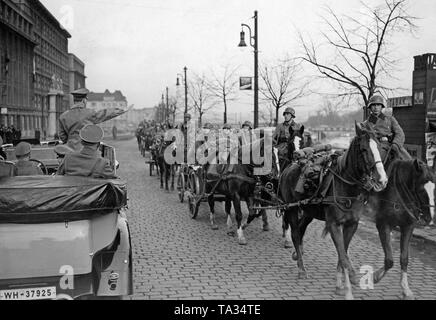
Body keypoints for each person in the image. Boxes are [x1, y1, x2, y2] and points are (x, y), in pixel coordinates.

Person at [58, 88, 129, 151]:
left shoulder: (63, 116)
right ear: (84, 101)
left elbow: (62, 136)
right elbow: (105, 114)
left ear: (74, 100)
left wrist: (71, 143)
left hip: (69, 151)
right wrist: (121, 110)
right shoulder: (89, 113)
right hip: (87, 150)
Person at [363, 95, 411, 162]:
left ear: (381, 107)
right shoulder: (366, 124)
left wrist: (396, 144)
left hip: (390, 146)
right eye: (373, 105)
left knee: (409, 161)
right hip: (374, 149)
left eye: (378, 105)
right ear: (370, 107)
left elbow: (400, 133)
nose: (376, 108)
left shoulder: (390, 119)